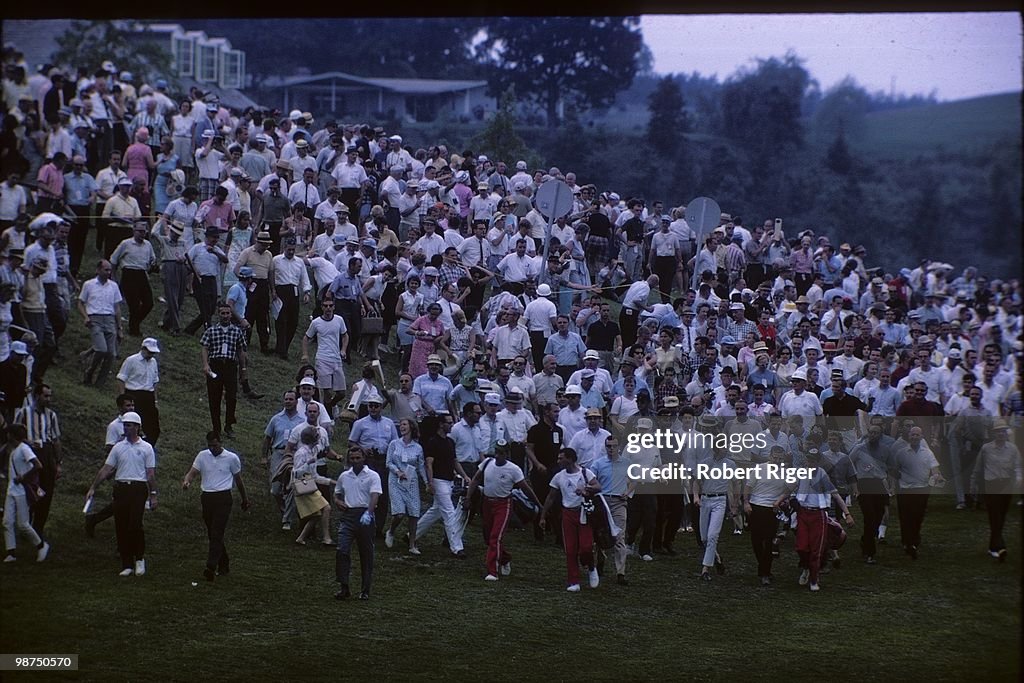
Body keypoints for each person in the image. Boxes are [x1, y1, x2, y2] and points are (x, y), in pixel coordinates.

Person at [84, 411, 157, 576]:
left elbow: (150, 473)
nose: (126, 428)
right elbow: (106, 469)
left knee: (135, 524)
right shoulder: (118, 447)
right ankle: (127, 563)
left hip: (138, 488)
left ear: (137, 427)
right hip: (121, 488)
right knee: (121, 525)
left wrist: (153, 494)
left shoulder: (146, 448)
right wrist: (93, 487)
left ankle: (139, 559)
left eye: (129, 425)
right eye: (125, 425)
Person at [465, 439, 541, 582]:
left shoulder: (513, 470)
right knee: (488, 537)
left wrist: (538, 505)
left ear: (506, 454)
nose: (497, 456)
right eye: (496, 452)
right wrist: (469, 497)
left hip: (503, 504)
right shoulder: (487, 463)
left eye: (500, 453)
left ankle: (492, 571)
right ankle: (505, 558)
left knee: (496, 536)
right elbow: (475, 479)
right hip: (487, 502)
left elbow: (526, 489)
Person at [782, 447, 855, 592]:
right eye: (808, 459)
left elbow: (836, 495)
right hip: (803, 513)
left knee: (816, 548)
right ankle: (806, 567)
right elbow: (790, 488)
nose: (810, 462)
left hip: (818, 514)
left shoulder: (822, 476)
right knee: (802, 546)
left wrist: (847, 514)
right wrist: (779, 501)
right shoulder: (801, 473)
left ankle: (814, 579)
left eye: (813, 460)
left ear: (818, 461)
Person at [181, 431, 251, 582]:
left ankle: (210, 567)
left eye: (215, 445)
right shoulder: (202, 456)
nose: (212, 448)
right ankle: (224, 562)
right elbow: (192, 472)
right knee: (212, 533)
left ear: (220, 442)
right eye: (210, 446)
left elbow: (238, 480)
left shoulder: (231, 458)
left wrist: (245, 499)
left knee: (217, 532)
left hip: (223, 497)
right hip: (207, 497)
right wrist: (187, 481)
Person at [541, 447, 602, 592]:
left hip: (583, 512)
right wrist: (543, 515)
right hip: (567, 513)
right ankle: (573, 580)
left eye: (561, 458)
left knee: (586, 547)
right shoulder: (559, 476)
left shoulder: (585, 473)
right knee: (570, 549)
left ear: (570, 459)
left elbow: (598, 486)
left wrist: (585, 488)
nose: (559, 461)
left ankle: (591, 566)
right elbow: (551, 496)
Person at [416, 412, 469, 558]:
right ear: (441, 424)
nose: (451, 425)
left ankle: (412, 535)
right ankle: (457, 547)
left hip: (448, 481)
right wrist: (430, 482)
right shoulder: (433, 442)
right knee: (449, 513)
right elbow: (429, 464)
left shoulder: (450, 442)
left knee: (436, 511)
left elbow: (454, 461)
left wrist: (464, 475)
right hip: (439, 482)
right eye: (449, 422)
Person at [13, 383, 63, 539]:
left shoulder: (51, 415)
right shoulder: (24, 413)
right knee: (30, 490)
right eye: (45, 396)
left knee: (46, 492)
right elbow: (14, 435)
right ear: (36, 396)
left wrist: (58, 463)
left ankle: (38, 527)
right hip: (30, 454)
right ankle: (24, 524)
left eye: (50, 396)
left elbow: (55, 439)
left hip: (47, 454)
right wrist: (27, 443)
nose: (49, 399)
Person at [333, 446, 382, 600]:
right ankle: (344, 586)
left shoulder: (373, 476)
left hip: (364, 514)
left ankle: (365, 589)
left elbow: (375, 495)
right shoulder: (344, 476)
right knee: (342, 549)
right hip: (348, 515)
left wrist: (369, 512)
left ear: (363, 458)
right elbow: (337, 493)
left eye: (357, 458)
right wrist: (338, 502)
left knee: (366, 553)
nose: (355, 461)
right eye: (352, 458)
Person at [3, 423, 50, 563]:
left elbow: (38, 465)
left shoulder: (24, 449)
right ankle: (11, 552)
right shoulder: (14, 450)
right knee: (7, 521)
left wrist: (23, 477)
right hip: (11, 490)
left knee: (23, 524)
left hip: (21, 491)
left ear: (12, 435)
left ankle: (41, 545)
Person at [894, 425, 943, 560]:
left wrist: (936, 476)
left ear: (921, 437)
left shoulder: (927, 453)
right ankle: (908, 542)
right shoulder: (901, 453)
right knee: (905, 517)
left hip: (922, 489)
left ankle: (913, 540)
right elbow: (894, 469)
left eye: (917, 435)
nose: (915, 437)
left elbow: (935, 469)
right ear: (908, 437)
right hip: (905, 489)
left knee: (918, 516)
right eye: (912, 435)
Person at [199, 302, 248, 437]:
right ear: (218, 314)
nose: (225, 316)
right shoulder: (212, 331)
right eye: (223, 313)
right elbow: (204, 347)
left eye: (227, 313)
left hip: (230, 366)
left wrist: (243, 369)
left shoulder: (237, 331)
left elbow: (241, 351)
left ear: (231, 314)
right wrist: (205, 364)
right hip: (215, 365)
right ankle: (216, 427)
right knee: (214, 397)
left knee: (231, 396)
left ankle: (229, 424)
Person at [262, 390, 305, 531]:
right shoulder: (276, 419)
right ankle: (285, 510)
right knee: (275, 489)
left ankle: (287, 520)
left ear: (296, 401)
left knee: (292, 486)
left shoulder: (302, 421)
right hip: (279, 453)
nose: (288, 401)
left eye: (291, 399)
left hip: (295, 455)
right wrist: (264, 457)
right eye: (286, 399)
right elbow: (267, 438)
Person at [301, 293, 349, 416]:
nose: (328, 308)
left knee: (341, 392)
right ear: (322, 307)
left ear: (334, 307)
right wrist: (305, 354)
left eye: (330, 306)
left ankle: (332, 405)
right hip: (322, 358)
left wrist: (343, 349)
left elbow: (345, 335)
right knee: (327, 391)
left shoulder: (339, 320)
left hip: (336, 358)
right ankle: (329, 416)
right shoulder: (316, 322)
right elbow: (306, 337)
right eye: (325, 306)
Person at [979, 420, 1021, 562]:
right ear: (994, 433)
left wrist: (1019, 478)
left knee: (1000, 517)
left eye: (1003, 431)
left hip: (1006, 485)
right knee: (995, 515)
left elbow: (1018, 465)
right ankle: (1001, 546)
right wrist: (974, 485)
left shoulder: (1012, 448)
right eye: (998, 431)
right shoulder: (986, 448)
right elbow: (978, 467)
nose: (1001, 434)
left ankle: (992, 547)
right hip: (991, 485)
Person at [385, 418, 427, 555]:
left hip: (411, 481)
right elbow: (389, 462)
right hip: (396, 480)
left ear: (411, 427)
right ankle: (391, 531)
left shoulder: (417, 447)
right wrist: (397, 472)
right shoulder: (394, 444)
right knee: (400, 513)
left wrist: (427, 482)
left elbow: (421, 466)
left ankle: (412, 544)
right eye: (401, 424)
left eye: (405, 424)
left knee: (414, 513)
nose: (402, 427)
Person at [116, 337, 161, 445]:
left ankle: (148, 448)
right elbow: (121, 378)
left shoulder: (153, 362)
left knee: (153, 428)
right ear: (143, 349)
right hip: (134, 393)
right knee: (134, 424)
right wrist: (123, 397)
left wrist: (155, 400)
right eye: (149, 351)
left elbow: (154, 382)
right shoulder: (131, 360)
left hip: (148, 395)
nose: (151, 354)